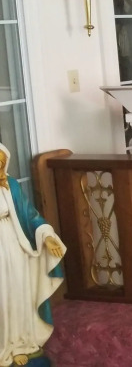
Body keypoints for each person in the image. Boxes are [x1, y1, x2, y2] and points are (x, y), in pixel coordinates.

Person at [0, 143, 66, 366]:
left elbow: (30, 215)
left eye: (1, 164)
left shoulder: (11, 185)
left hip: (14, 245)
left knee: (18, 293)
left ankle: (20, 344)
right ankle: (3, 346)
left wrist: (46, 235)